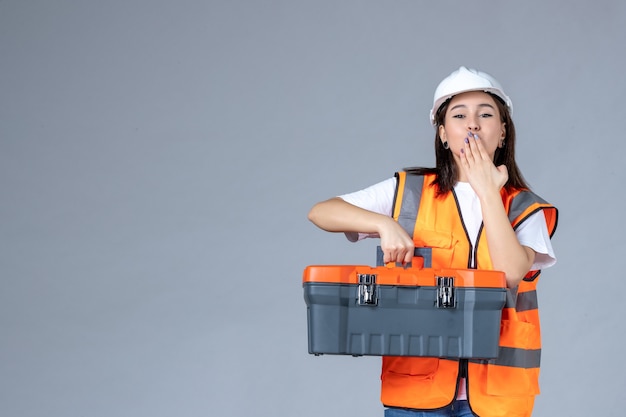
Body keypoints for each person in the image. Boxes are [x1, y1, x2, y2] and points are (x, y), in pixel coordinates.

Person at [307, 66, 558, 417]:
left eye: (486, 115)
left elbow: (511, 273)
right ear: (442, 133)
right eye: (459, 115)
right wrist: (383, 224)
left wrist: (488, 190)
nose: (472, 124)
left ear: (502, 132)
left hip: (498, 397)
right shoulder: (408, 193)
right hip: (416, 392)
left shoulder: (523, 206)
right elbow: (322, 212)